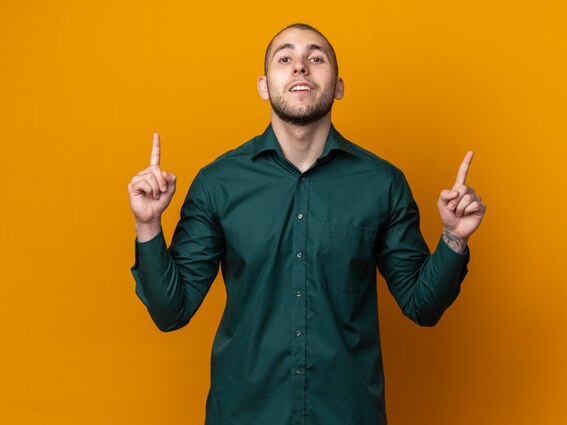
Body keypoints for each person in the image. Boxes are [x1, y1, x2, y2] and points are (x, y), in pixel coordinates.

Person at [128, 23, 485, 425]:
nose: (300, 67)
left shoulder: (382, 184)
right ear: (264, 86)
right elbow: (170, 312)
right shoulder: (218, 184)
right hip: (245, 414)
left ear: (338, 86)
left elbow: (423, 306)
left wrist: (454, 237)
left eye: (316, 58)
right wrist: (148, 226)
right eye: (285, 58)